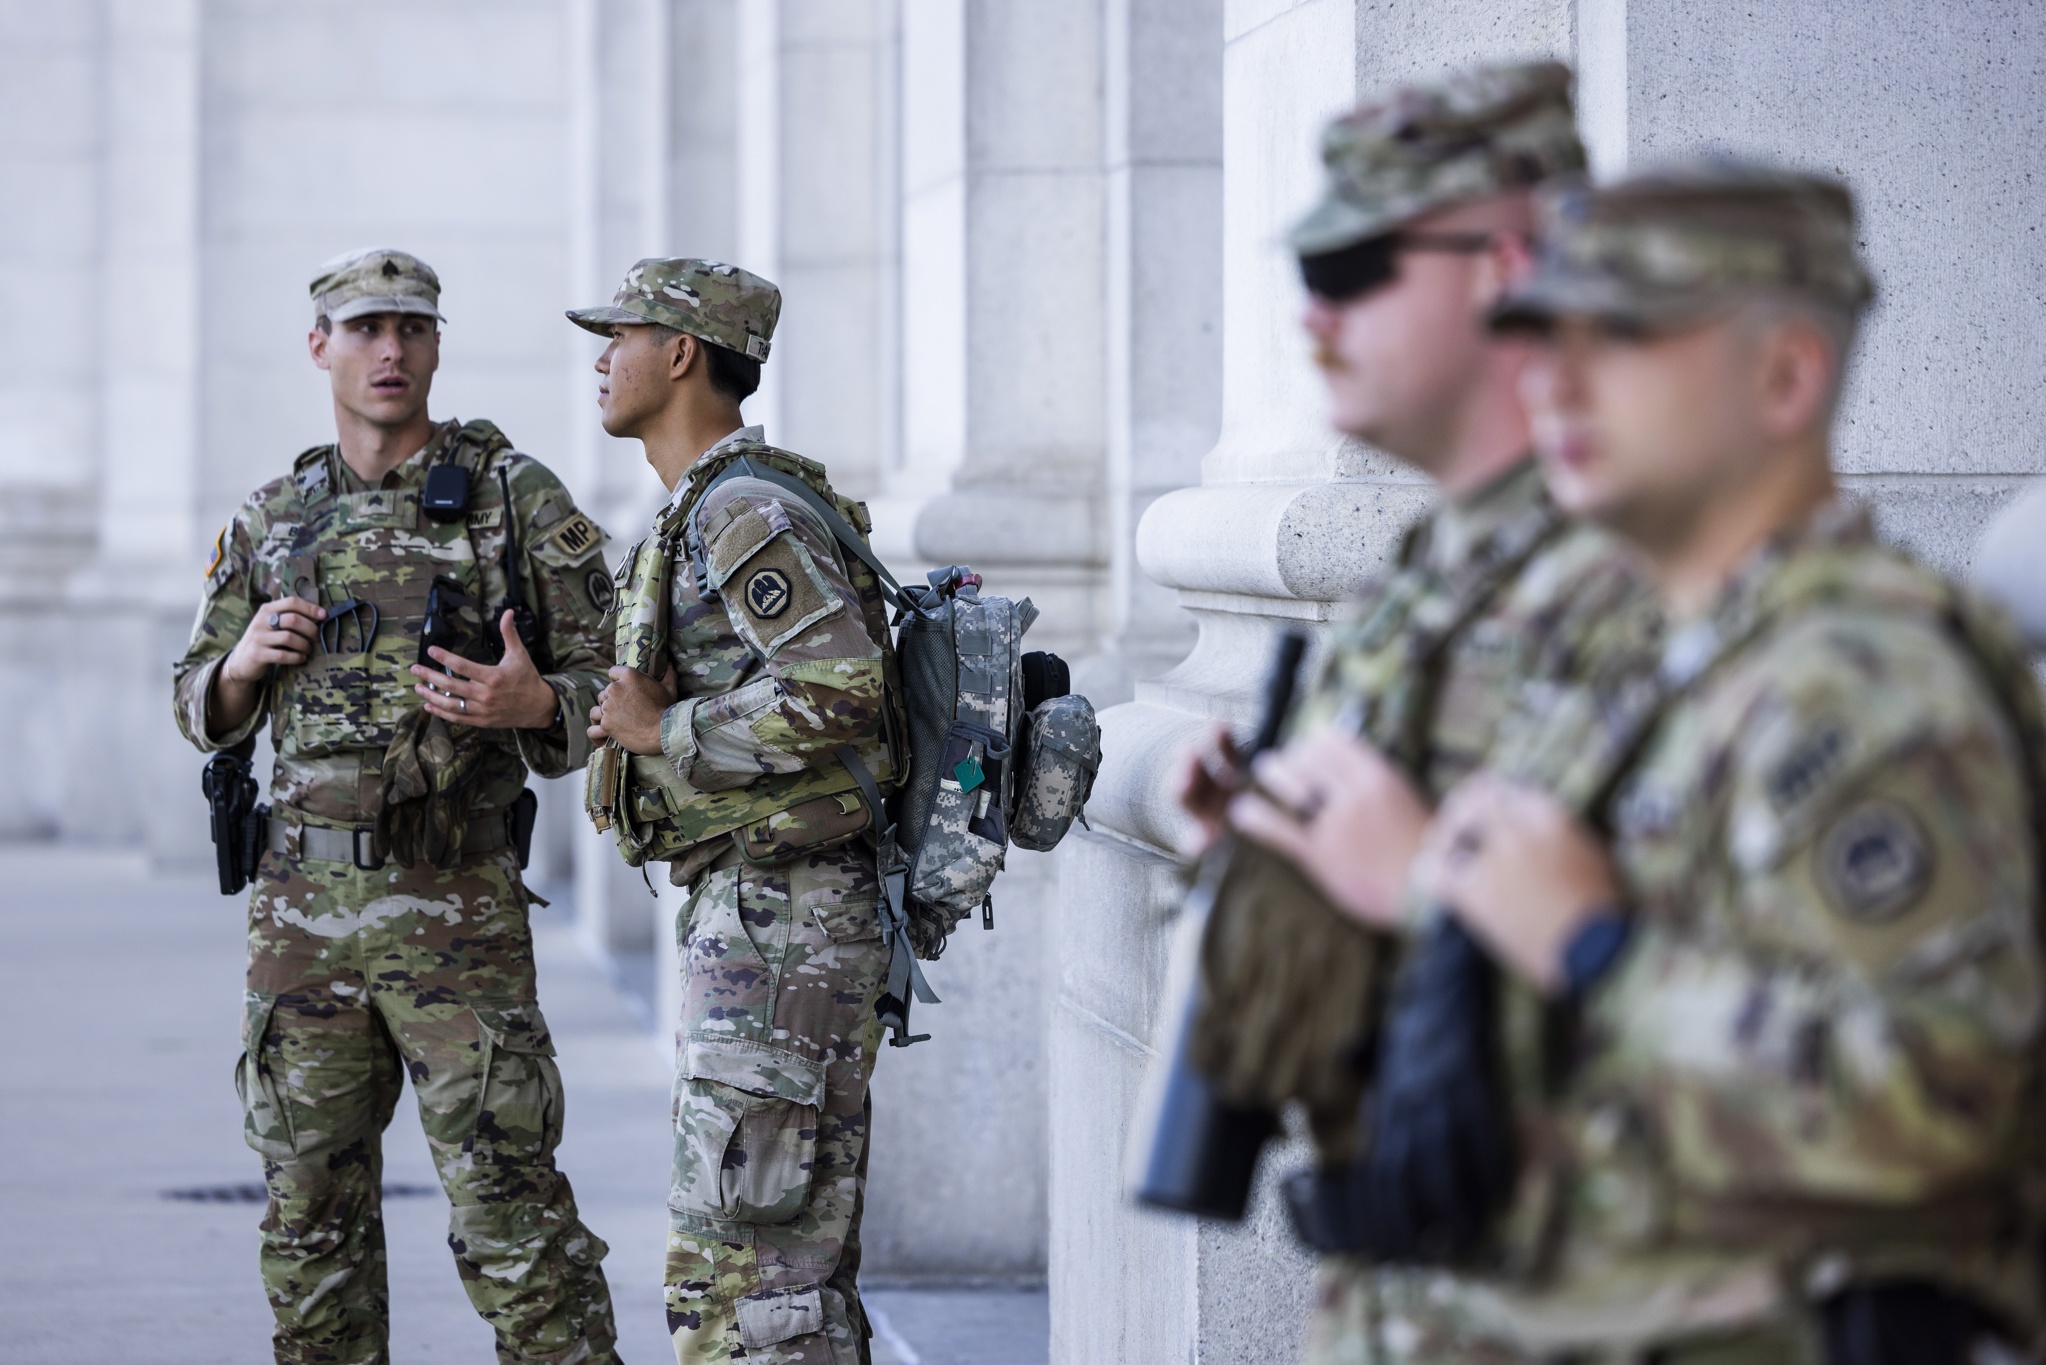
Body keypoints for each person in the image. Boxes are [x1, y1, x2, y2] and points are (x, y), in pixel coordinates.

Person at [1254, 161, 2046, 1362]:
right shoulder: (1662, 660)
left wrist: (1598, 953)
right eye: (1541, 332)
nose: (1552, 379)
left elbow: (1933, 1112)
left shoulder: (1863, 685)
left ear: (1786, 376)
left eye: (1622, 336)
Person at [1172, 62, 1659, 1361]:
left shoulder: (1639, 583)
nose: (1309, 322)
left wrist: (1418, 878)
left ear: (1501, 265)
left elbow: (1755, 1052)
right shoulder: (1431, 577)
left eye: (1349, 273)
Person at [172, 248, 622, 1364]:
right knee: (307, 1214)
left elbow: (620, 693)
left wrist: (530, 702)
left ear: (436, 343)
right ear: (319, 344)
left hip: (456, 903)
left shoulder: (513, 499)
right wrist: (238, 669)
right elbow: (194, 698)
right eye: (366, 327)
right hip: (300, 915)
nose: (391, 350)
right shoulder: (275, 517)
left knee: (511, 1214)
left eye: (413, 328)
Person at [568, 258, 900, 1365]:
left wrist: (672, 734)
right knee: (756, 1270)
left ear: (681, 353)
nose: (600, 359)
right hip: (761, 914)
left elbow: (842, 688)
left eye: (619, 335)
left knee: (751, 1288)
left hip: (788, 923)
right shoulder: (701, 505)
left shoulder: (740, 508)